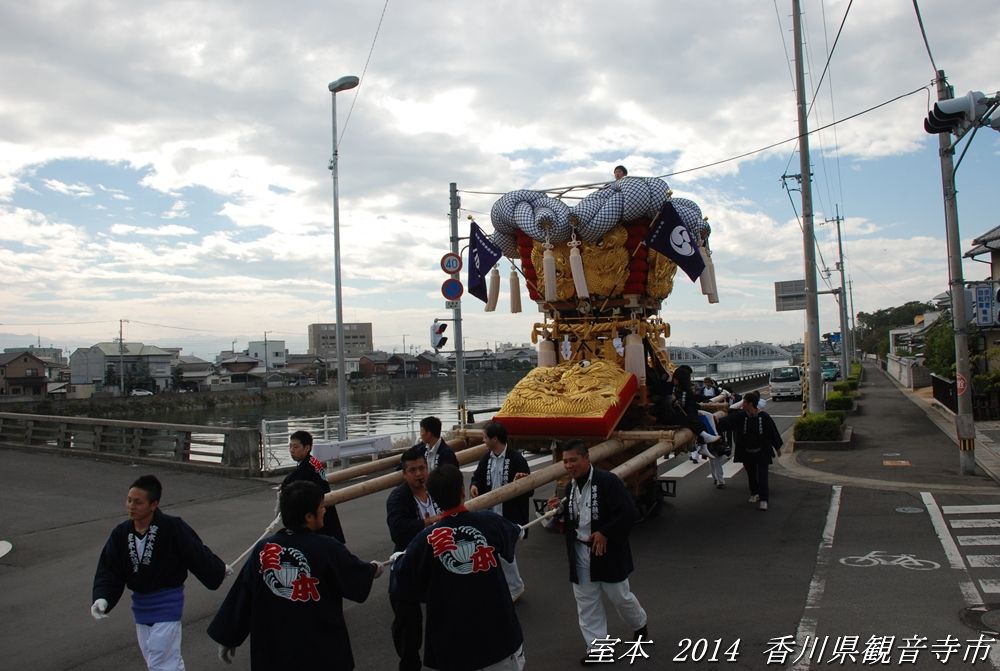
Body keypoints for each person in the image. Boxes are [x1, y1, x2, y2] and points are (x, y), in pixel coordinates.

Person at [208, 481, 382, 669]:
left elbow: (243, 595)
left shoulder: (265, 549)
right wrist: (373, 569)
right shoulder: (327, 548)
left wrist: (229, 637)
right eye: (321, 507)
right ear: (309, 516)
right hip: (320, 653)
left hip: (273, 652)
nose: (325, 510)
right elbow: (355, 576)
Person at [392, 464, 525, 671]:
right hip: (500, 638)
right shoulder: (490, 522)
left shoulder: (425, 540)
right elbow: (516, 533)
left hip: (452, 647)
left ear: (433, 499)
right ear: (463, 492)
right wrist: (518, 530)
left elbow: (402, 574)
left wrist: (398, 557)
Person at [91, 474, 227, 671]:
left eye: (138, 502)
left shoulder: (172, 527)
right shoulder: (121, 533)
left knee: (160, 663)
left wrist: (218, 570)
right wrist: (102, 598)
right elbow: (109, 569)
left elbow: (196, 553)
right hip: (141, 607)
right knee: (160, 661)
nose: (131, 506)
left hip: (167, 604)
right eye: (129, 500)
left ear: (153, 504)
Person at [546, 441, 648, 661]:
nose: (569, 465)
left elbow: (628, 512)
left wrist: (606, 532)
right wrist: (558, 511)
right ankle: (598, 648)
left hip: (606, 551)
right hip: (580, 552)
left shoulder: (607, 481)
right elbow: (573, 519)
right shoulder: (571, 487)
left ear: (586, 458)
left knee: (620, 597)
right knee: (586, 603)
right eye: (565, 461)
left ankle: (639, 624)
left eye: (573, 460)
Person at [386, 446, 444, 671]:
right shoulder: (398, 497)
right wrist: (426, 523)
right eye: (413, 470)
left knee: (444, 615)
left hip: (438, 561)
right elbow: (397, 531)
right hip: (409, 563)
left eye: (422, 468)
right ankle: (409, 663)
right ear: (404, 473)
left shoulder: (435, 488)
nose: (419, 474)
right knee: (408, 625)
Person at [470, 420, 531, 601]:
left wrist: (521, 481)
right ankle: (509, 586)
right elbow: (477, 477)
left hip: (510, 515)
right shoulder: (486, 458)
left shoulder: (517, 459)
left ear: (495, 439)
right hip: (491, 514)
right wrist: (474, 485)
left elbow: (529, 489)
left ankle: (515, 587)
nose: (483, 440)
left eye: (485, 437)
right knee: (496, 552)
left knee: (504, 553)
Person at [716, 390, 783, 511]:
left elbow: (772, 432)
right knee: (751, 474)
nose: (743, 404)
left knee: (763, 475)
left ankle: (764, 499)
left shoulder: (764, 417)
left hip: (762, 450)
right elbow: (728, 421)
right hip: (747, 450)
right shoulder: (741, 416)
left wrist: (777, 447)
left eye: (745, 402)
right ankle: (754, 493)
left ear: (751, 403)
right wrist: (715, 421)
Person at [282, 429, 345, 542]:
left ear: (307, 447)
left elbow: (288, 483)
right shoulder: (313, 462)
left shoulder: (306, 467)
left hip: (318, 513)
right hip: (325, 508)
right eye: (290, 447)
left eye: (296, 447)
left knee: (323, 548)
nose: (292, 450)